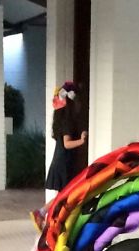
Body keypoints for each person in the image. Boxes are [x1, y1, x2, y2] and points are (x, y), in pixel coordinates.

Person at [29, 81, 87, 231]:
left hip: (61, 161)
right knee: (64, 196)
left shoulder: (60, 120)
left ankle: (49, 218)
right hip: (63, 163)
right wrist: (81, 141)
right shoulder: (67, 121)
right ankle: (42, 214)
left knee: (64, 195)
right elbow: (67, 144)